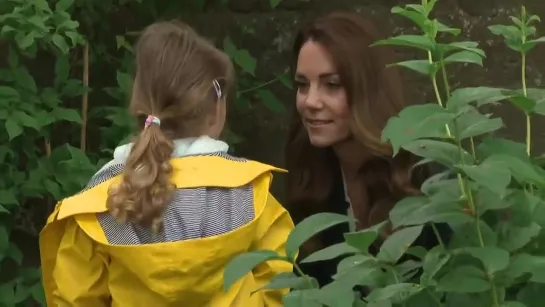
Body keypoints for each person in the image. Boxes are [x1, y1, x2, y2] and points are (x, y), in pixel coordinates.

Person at [39, 20, 294, 307]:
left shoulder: (97, 203)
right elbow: (280, 285)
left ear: (138, 105)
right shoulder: (252, 194)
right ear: (216, 109)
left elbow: (76, 298)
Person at [285, 12, 445, 287]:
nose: (310, 101)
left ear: (369, 91)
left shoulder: (427, 178)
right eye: (302, 85)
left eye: (331, 85)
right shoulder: (312, 174)